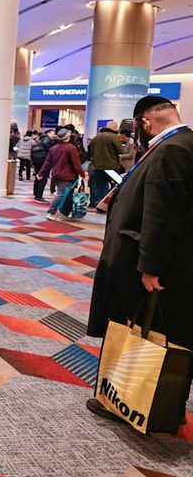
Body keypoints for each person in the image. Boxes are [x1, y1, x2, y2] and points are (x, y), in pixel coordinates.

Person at [86, 96, 193, 422]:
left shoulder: (173, 150)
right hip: (156, 263)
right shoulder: (178, 145)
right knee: (152, 332)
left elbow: (164, 214)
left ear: (145, 123)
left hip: (150, 268)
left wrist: (151, 267)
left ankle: (144, 403)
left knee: (150, 334)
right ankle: (142, 401)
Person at [37, 128, 85, 221]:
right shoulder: (71, 148)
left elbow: (47, 163)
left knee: (66, 194)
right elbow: (76, 164)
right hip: (67, 175)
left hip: (56, 174)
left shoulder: (53, 148)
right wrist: (82, 174)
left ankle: (68, 212)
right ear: (67, 137)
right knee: (62, 194)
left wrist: (41, 173)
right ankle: (51, 212)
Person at [88, 121, 122, 208]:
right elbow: (120, 151)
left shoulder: (96, 137)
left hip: (97, 166)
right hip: (112, 166)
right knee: (117, 185)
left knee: (99, 186)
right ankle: (112, 204)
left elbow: (90, 151)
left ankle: (98, 204)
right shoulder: (114, 137)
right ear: (114, 128)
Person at [30, 129, 56, 203]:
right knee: (43, 178)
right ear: (48, 133)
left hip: (37, 160)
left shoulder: (40, 138)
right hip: (43, 161)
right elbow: (48, 146)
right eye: (53, 133)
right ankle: (39, 196)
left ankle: (36, 193)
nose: (54, 135)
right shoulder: (47, 140)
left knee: (38, 176)